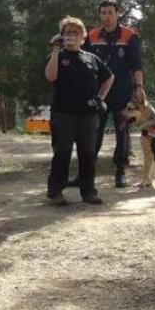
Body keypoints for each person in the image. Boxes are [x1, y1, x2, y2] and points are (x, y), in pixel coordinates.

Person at [45, 16, 114, 206]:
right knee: (62, 152)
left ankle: (89, 192)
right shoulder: (57, 56)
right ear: (61, 36)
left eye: (76, 32)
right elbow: (51, 77)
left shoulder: (91, 58)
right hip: (64, 113)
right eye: (67, 33)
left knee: (88, 153)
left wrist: (100, 98)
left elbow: (109, 77)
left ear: (83, 36)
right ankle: (56, 192)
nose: (72, 36)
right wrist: (55, 50)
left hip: (88, 114)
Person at [83, 0, 145, 189]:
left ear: (117, 14)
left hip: (122, 90)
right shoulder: (92, 36)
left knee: (122, 131)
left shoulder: (129, 35)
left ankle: (120, 172)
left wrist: (139, 87)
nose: (107, 16)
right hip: (99, 91)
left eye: (110, 12)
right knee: (94, 131)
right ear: (99, 15)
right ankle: (88, 174)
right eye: (103, 13)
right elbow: (84, 62)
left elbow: (136, 64)